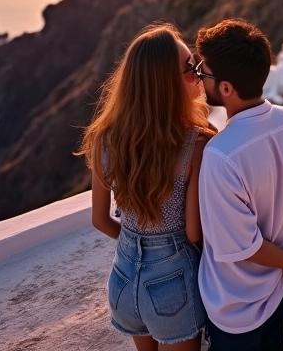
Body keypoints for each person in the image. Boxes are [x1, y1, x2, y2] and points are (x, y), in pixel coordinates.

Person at [78, 23, 216, 351]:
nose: (197, 73)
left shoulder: (106, 139)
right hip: (173, 286)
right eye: (189, 67)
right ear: (165, 83)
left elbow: (100, 220)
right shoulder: (196, 145)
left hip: (123, 281)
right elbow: (194, 233)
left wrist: (139, 248)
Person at [194, 18, 283, 351]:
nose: (198, 76)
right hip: (279, 292)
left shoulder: (220, 155)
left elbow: (244, 247)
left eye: (203, 72)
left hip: (237, 309)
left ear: (226, 88)